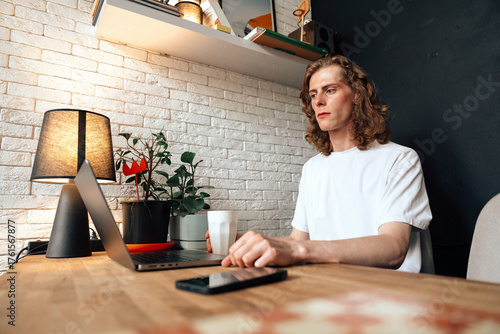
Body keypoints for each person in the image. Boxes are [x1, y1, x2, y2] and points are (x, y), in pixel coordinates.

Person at [206, 54, 432, 273]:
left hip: (392, 297)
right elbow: (298, 240)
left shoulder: (400, 160)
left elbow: (393, 248)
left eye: (330, 90)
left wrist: (297, 249)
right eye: (313, 95)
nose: (319, 101)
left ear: (357, 95)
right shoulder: (313, 168)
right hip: (327, 288)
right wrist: (248, 246)